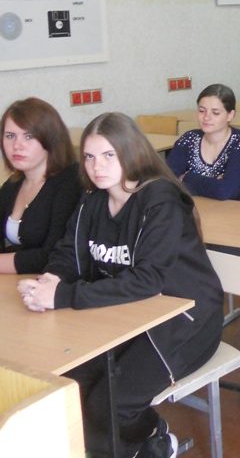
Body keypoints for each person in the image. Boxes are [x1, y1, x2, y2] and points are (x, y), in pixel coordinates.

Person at [17, 112, 223, 458]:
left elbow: (148, 280)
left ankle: (151, 441)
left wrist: (62, 296)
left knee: (108, 406)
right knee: (68, 387)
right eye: (89, 157)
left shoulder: (160, 200)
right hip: (123, 316)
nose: (97, 166)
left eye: (108, 155)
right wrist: (52, 277)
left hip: (185, 321)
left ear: (130, 151)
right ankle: (147, 439)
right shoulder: (93, 199)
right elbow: (68, 251)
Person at [1, 98, 81, 274]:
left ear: (50, 139)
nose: (17, 146)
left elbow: (54, 254)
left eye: (29, 136)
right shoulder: (13, 184)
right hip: (19, 280)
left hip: (54, 282)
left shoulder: (71, 183)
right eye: (10, 136)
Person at [166, 83, 240, 202]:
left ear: (230, 115)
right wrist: (213, 184)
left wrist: (186, 177)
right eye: (202, 111)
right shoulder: (189, 139)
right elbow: (166, 180)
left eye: (215, 113)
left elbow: (224, 191)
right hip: (199, 207)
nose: (206, 117)